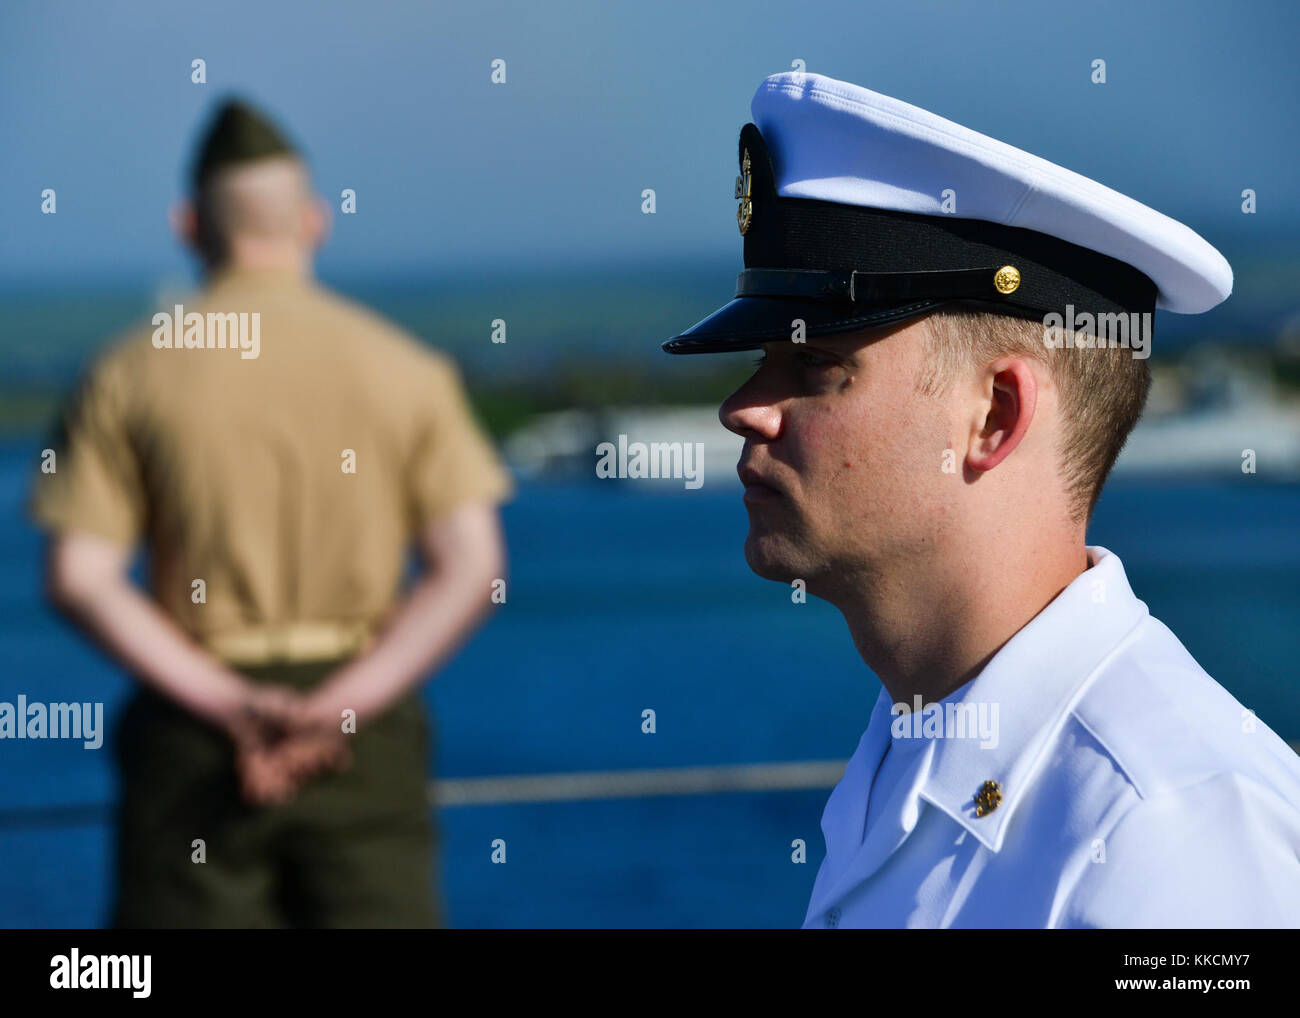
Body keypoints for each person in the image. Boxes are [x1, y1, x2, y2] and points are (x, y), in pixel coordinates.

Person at [664, 72, 1300, 928]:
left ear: (993, 416)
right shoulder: (917, 740)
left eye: (814, 366)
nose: (742, 407)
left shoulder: (1171, 829)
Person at [29, 98, 512, 928]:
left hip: (192, 736)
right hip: (366, 733)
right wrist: (340, 706)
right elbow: (471, 570)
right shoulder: (406, 368)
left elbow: (80, 579)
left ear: (189, 226)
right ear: (315, 221)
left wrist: (227, 704)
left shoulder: (125, 373)